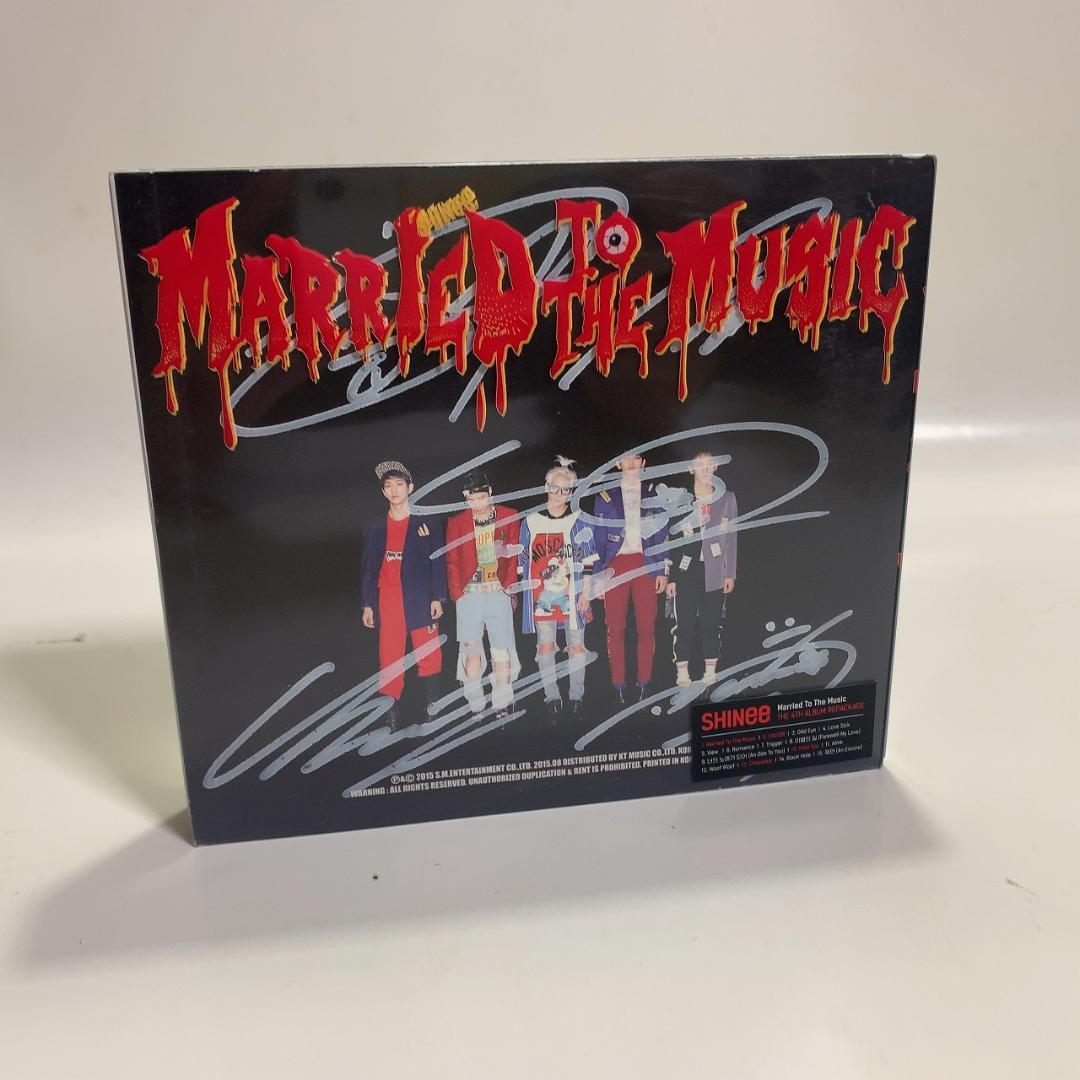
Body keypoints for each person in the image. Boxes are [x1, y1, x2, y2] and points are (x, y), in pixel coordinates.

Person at [361, 460, 447, 731]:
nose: (394, 490)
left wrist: (438, 597)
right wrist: (367, 604)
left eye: (399, 484)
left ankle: (433, 708)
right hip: (388, 597)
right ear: (383, 492)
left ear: (410, 487)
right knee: (390, 656)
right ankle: (391, 715)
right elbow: (368, 568)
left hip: (420, 596)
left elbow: (438, 562)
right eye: (388, 485)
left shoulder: (428, 521)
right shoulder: (375, 527)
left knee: (429, 652)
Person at [518, 456, 597, 720]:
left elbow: (588, 560)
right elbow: (522, 563)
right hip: (542, 597)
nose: (559, 494)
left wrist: (586, 593)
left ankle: (577, 696)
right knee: (545, 647)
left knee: (577, 646)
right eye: (555, 488)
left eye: (565, 490)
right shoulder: (530, 522)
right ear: (546, 487)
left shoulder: (580, 520)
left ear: (571, 492)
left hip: (572, 594)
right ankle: (552, 696)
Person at [591, 453, 669, 704]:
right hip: (616, 564)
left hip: (646, 562)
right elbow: (598, 538)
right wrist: (598, 576)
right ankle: (618, 685)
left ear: (643, 463)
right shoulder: (605, 496)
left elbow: (662, 533)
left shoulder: (655, 492)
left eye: (637, 459)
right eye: (627, 460)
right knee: (615, 627)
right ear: (618, 464)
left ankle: (645, 682)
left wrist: (662, 570)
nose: (632, 464)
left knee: (647, 626)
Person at [445, 469, 521, 720]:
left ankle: (503, 702)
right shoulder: (456, 522)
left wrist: (507, 586)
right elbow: (452, 560)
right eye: (471, 499)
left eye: (481, 497)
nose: (477, 504)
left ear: (490, 493)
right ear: (465, 498)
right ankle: (475, 703)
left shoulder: (509, 516)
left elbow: (513, 555)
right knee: (471, 649)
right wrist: (457, 593)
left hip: (497, 590)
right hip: (470, 594)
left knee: (501, 648)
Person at [666, 450, 737, 686]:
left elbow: (731, 538)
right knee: (684, 625)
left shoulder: (727, 498)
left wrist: (730, 572)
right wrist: (671, 576)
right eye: (700, 464)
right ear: (691, 468)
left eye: (710, 464)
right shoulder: (680, 500)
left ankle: (710, 673)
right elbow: (673, 540)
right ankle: (682, 673)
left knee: (711, 624)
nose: (705, 469)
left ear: (716, 468)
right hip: (686, 571)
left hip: (715, 571)